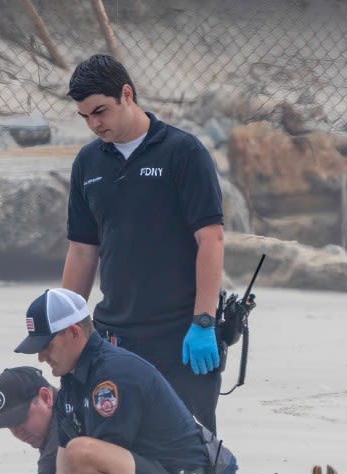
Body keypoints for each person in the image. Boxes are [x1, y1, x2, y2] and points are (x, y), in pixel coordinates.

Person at [62, 54, 226, 436]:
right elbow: (83, 249)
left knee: (190, 450)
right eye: (85, 116)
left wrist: (204, 321)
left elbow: (211, 239)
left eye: (100, 111)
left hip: (181, 337)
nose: (94, 124)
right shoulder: (87, 164)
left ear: (127, 94)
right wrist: (65, 324)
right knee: (113, 446)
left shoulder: (183, 153)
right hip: (114, 337)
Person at [10, 288, 213, 474]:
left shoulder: (113, 376)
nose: (41, 357)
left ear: (73, 332)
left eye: (46, 345)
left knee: (81, 452)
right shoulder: (70, 389)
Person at [0, 366, 60, 474]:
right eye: (10, 425)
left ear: (46, 397)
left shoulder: (61, 434)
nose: (18, 432)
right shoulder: (59, 409)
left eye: (22, 419)